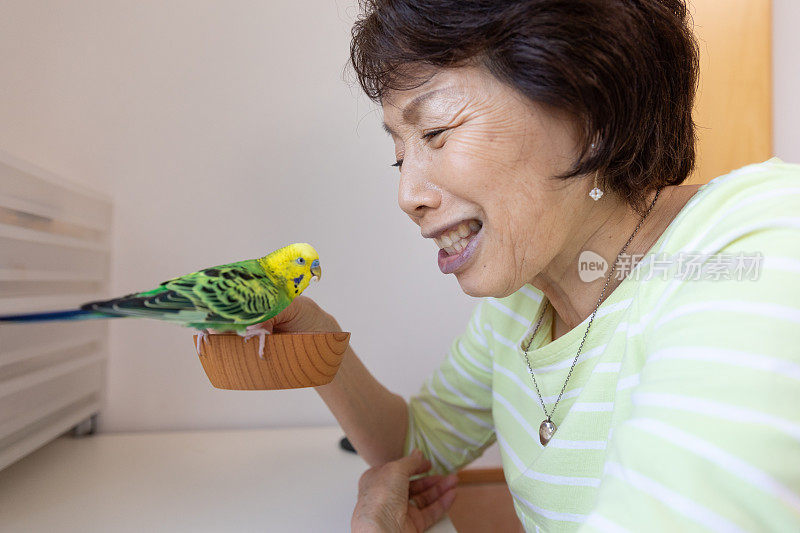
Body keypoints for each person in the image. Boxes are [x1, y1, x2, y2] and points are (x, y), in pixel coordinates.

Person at [260, 1, 800, 530]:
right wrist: (320, 347)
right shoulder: (523, 301)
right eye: (400, 155)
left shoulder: (757, 248)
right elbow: (419, 447)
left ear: (592, 115)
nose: (407, 195)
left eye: (436, 132)